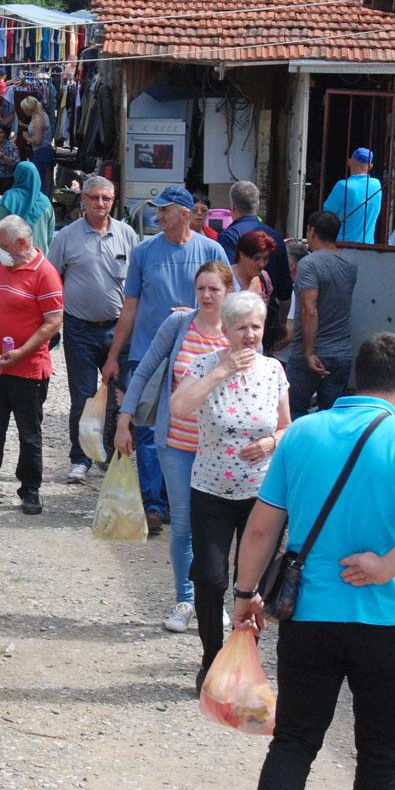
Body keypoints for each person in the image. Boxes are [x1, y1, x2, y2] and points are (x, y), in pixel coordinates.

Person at [231, 333, 395, 790]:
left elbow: (259, 530)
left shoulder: (302, 434)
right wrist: (387, 566)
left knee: (293, 742)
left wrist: (245, 594)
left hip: (309, 615)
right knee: (380, 757)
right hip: (388, 620)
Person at [168, 290, 290, 685]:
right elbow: (178, 408)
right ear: (226, 330)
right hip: (211, 488)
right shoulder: (204, 366)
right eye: (241, 327)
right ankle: (211, 655)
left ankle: (244, 659)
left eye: (256, 326)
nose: (250, 335)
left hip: (262, 493)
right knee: (209, 576)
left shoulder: (273, 370)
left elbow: (289, 427)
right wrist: (221, 371)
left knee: (251, 579)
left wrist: (271, 443)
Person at [102, 186, 229, 534]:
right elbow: (129, 309)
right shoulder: (144, 252)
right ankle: (153, 505)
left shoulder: (211, 250)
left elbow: (226, 302)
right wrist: (114, 356)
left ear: (185, 214)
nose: (157, 217)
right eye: (157, 211)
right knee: (146, 428)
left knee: (190, 427)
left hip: (196, 355)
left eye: (164, 210)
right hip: (148, 353)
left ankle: (181, 501)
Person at [116, 261, 231, 632]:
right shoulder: (179, 325)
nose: (207, 296)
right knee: (183, 524)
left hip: (221, 450)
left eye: (214, 289)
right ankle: (184, 600)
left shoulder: (238, 332)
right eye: (201, 289)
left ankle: (213, 600)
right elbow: (146, 369)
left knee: (215, 529)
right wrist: (124, 418)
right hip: (177, 443)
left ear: (228, 292)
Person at [0, 215, 64, 515]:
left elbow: (53, 323)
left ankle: (30, 489)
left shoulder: (45, 274)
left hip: (28, 370)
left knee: (29, 433)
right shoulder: (5, 267)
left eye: (3, 245)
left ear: (22, 242)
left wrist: (21, 353)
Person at [50, 176, 138, 484]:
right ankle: (80, 459)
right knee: (83, 397)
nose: (100, 204)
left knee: (122, 395)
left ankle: (114, 454)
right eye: (94, 197)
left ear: (113, 201)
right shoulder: (67, 237)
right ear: (83, 199)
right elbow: (52, 279)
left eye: (106, 198)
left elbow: (136, 286)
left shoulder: (127, 235)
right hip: (79, 329)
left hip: (119, 329)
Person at [288, 211, 356, 415]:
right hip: (341, 352)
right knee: (332, 417)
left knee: (293, 414)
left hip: (309, 353)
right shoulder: (350, 264)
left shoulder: (308, 263)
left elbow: (310, 309)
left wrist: (309, 352)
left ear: (312, 231)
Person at [217, 180, 293, 314]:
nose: (261, 264)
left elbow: (224, 282)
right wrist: (281, 323)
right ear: (257, 205)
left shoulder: (229, 236)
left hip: (237, 319)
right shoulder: (275, 236)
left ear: (232, 206)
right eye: (255, 258)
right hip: (263, 318)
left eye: (265, 258)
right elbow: (285, 291)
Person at [0, 161, 54, 261]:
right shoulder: (46, 203)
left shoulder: (10, 198)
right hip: (38, 258)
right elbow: (50, 235)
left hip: (13, 258)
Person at [322, 146, 384, 244]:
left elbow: (326, 215)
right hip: (367, 247)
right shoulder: (376, 185)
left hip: (343, 246)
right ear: (370, 166)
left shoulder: (343, 186)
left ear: (349, 162)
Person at [18, 96, 54, 195]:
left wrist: (26, 137)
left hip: (40, 151)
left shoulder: (37, 119)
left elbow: (37, 140)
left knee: (38, 180)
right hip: (44, 150)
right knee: (42, 178)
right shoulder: (42, 115)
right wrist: (25, 125)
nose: (24, 111)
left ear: (29, 109)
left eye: (24, 109)